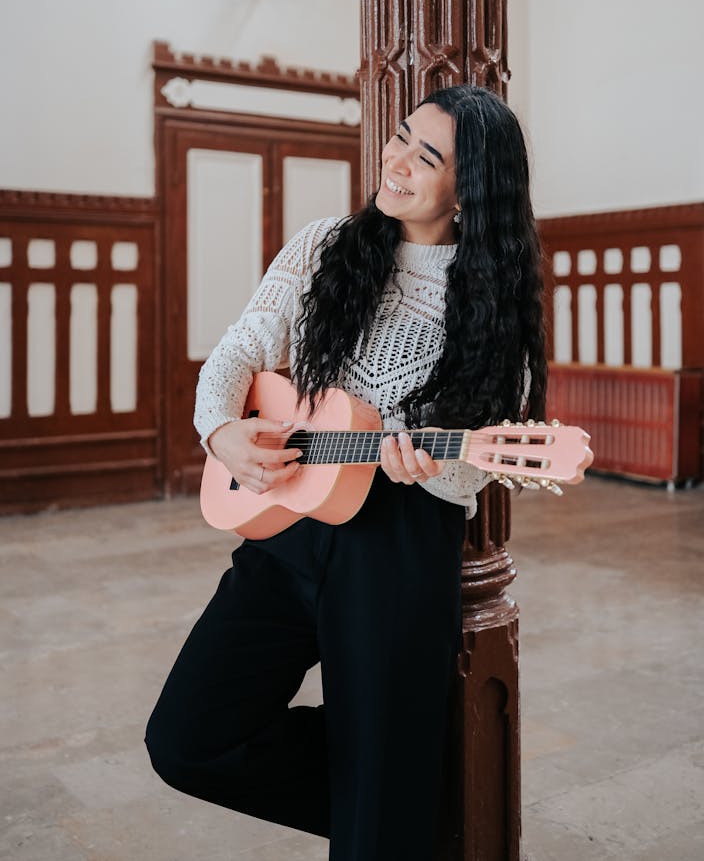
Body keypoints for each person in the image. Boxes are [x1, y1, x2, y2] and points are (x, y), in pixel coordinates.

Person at [145, 84, 546, 860]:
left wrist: (424, 465)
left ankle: (386, 809)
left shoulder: (489, 300)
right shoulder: (327, 242)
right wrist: (220, 429)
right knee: (187, 735)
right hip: (291, 528)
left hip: (398, 544)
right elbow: (240, 348)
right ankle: (395, 801)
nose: (394, 160)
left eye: (425, 157)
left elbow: (475, 467)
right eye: (398, 137)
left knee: (378, 818)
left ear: (470, 190)